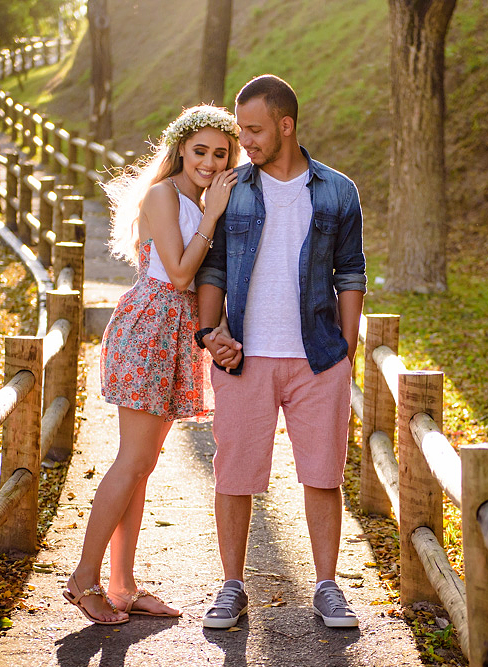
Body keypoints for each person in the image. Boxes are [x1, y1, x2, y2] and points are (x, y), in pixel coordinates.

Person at [194, 75, 366, 629]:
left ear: (285, 126)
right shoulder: (231, 188)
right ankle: (231, 586)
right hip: (244, 355)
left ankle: (327, 587)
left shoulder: (337, 191)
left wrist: (345, 350)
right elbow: (213, 268)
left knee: (323, 475)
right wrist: (209, 332)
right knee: (234, 474)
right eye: (240, 129)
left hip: (317, 357)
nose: (242, 141)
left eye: (254, 130)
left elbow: (350, 274)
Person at [64, 105, 240, 625]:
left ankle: (123, 586)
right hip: (150, 326)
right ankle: (83, 579)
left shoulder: (198, 200)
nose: (210, 162)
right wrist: (212, 215)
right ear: (181, 148)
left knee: (142, 466)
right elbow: (181, 275)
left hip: (177, 332)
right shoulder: (164, 195)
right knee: (132, 461)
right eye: (201, 151)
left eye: (221, 154)